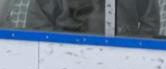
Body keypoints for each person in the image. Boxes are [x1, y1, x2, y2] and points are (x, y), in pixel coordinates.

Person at [26, 0, 159, 36]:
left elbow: (150, 23)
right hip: (66, 60)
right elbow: (38, 26)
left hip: (123, 62)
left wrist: (134, 52)